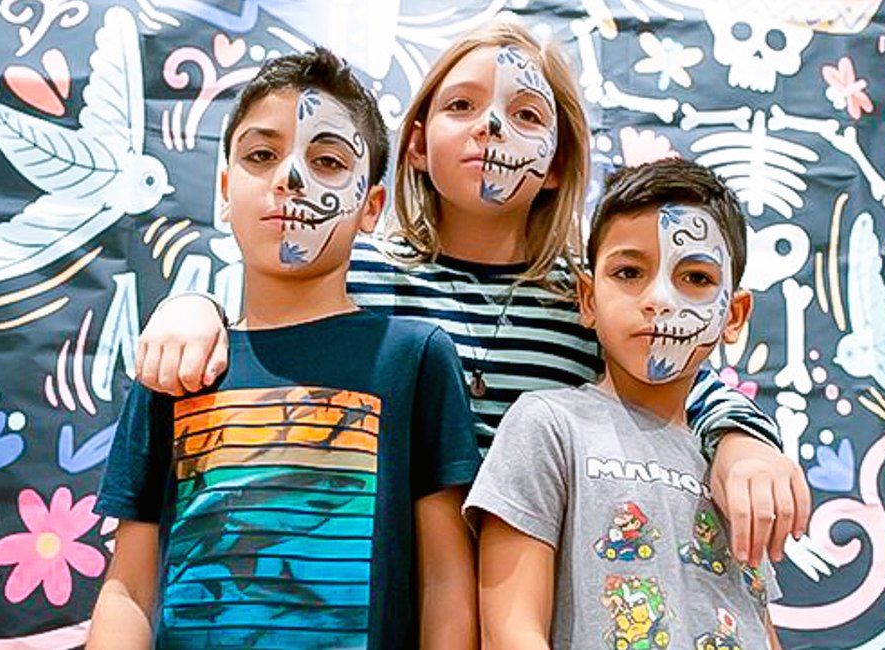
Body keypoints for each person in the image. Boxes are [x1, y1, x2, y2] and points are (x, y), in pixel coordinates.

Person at [132, 18, 808, 566]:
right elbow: (267, 326)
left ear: (557, 164)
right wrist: (191, 307)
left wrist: (745, 442)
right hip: (389, 591)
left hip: (550, 593)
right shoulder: (361, 271)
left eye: (523, 115)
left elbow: (694, 387)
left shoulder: (588, 297)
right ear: (418, 146)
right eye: (463, 106)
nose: (491, 128)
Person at [87, 48, 482, 650]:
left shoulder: (413, 357)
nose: (289, 179)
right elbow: (131, 586)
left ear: (371, 207)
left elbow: (446, 580)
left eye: (326, 160)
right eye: (261, 155)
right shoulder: (174, 366)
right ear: (224, 191)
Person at [465, 159, 784, 650]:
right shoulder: (547, 426)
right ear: (588, 298)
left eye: (696, 278)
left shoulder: (734, 469)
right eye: (629, 272)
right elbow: (510, 630)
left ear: (735, 314)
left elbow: (755, 620)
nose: (659, 299)